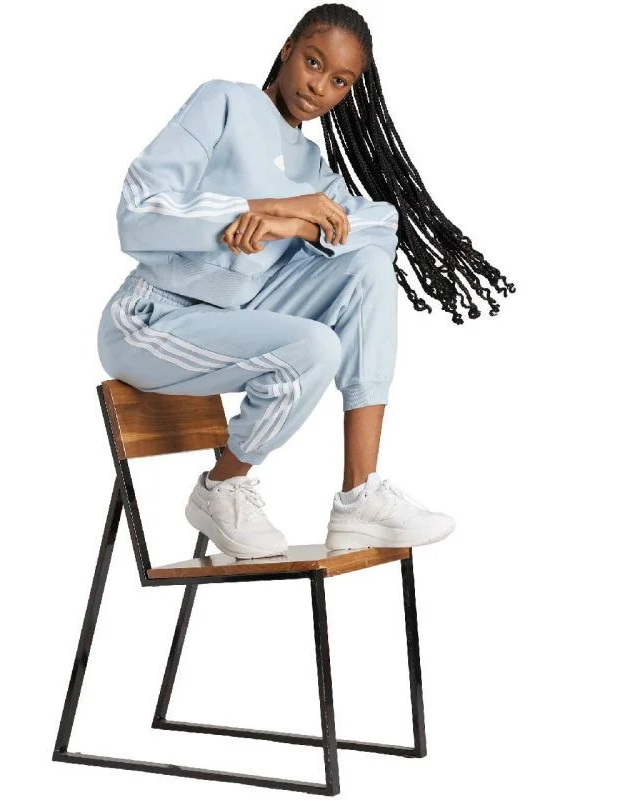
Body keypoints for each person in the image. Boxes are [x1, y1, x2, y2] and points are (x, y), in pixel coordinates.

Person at [98, 3, 515, 560]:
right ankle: (223, 486)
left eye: (339, 81)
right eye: (314, 63)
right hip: (153, 319)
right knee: (315, 345)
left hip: (231, 321)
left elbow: (380, 227)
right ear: (288, 48)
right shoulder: (224, 101)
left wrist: (297, 222)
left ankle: (359, 494)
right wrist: (267, 208)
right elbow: (138, 211)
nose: (319, 87)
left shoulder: (314, 169)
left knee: (366, 271)